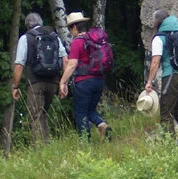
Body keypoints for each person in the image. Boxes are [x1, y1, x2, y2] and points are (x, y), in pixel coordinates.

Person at [10, 12, 67, 143]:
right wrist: (63, 83)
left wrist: (15, 86)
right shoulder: (54, 37)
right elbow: (65, 60)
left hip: (35, 82)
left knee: (35, 116)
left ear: (27, 26)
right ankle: (46, 145)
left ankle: (40, 149)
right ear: (40, 23)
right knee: (43, 114)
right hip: (53, 82)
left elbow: (19, 65)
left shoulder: (26, 38)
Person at [59, 11, 111, 141]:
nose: (71, 31)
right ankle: (103, 125)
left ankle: (85, 144)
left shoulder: (77, 42)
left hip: (83, 82)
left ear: (75, 27)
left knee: (81, 113)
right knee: (90, 110)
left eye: (70, 28)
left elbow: (71, 65)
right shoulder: (94, 39)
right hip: (99, 80)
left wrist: (63, 82)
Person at [145, 10, 178, 136]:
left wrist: (149, 81)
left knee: (166, 112)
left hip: (172, 76)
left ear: (157, 21)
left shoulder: (159, 38)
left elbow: (155, 62)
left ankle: (170, 146)